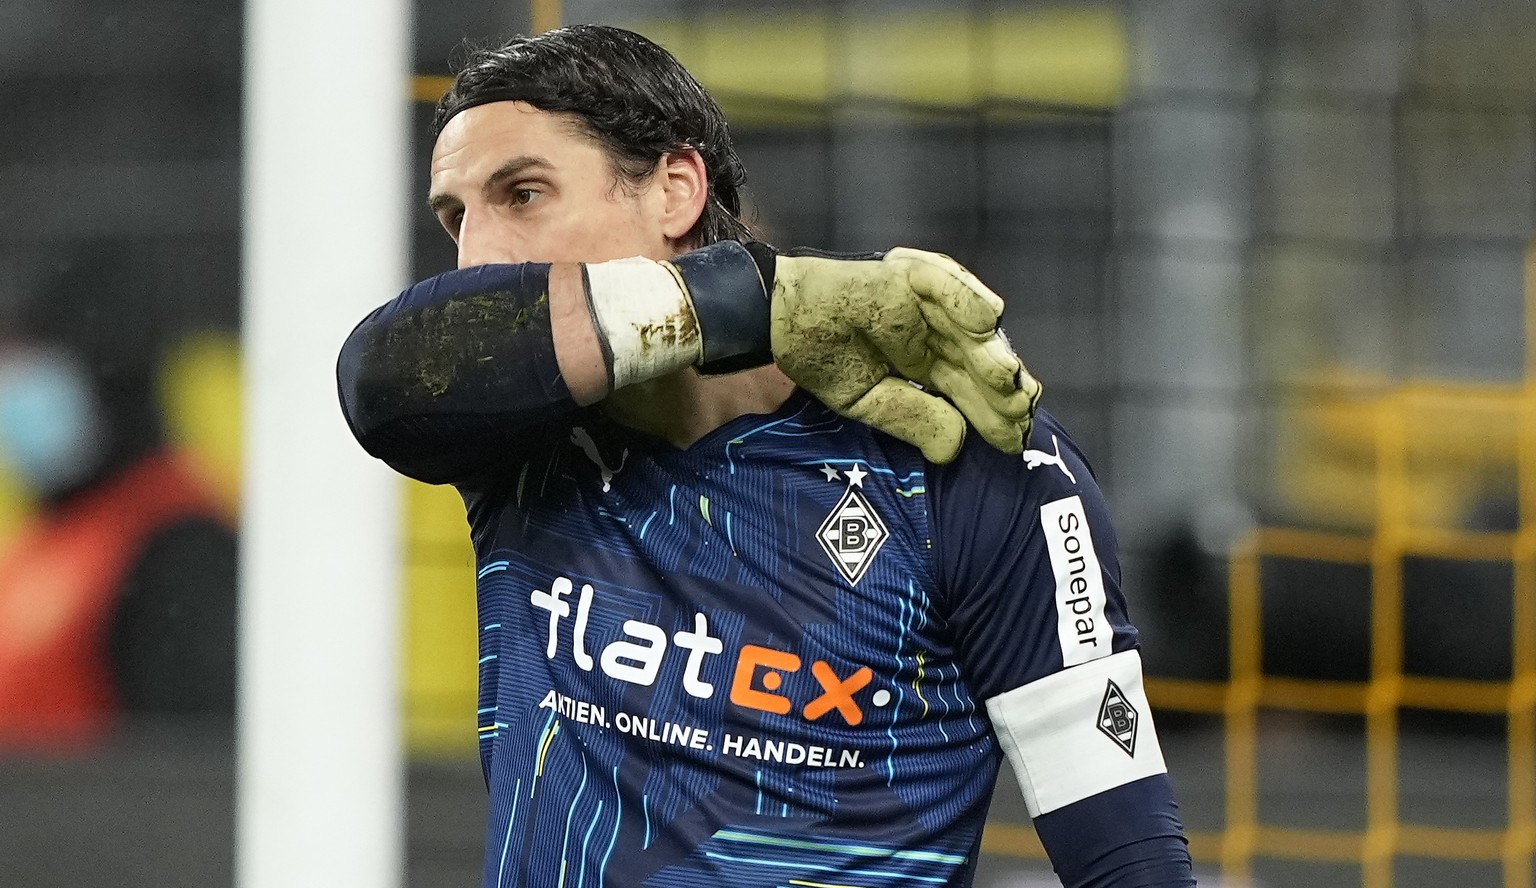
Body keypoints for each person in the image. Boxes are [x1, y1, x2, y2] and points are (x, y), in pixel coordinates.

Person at [338, 24, 1193, 888]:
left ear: (675, 191)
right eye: (456, 217)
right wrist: (754, 300)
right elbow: (378, 377)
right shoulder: (520, 434)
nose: (477, 253)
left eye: (522, 195)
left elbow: (1127, 859)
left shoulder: (959, 456)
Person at [0, 245, 238, 750]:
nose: (10, 388)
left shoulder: (180, 550)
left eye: (28, 360)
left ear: (100, 372)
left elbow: (186, 778)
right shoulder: (53, 540)